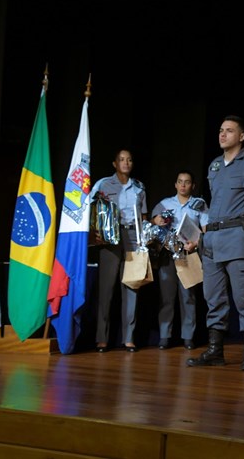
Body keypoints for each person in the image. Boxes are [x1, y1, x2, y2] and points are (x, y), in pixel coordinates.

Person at [187, 115, 244, 371]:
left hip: (238, 238)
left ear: (241, 136)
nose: (222, 134)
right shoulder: (214, 165)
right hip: (212, 240)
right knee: (213, 297)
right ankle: (216, 350)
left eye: (229, 131)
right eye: (220, 130)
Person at [90, 149, 148, 353]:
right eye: (122, 159)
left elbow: (143, 217)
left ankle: (129, 338)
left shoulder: (139, 187)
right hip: (110, 238)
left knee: (131, 287)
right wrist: (93, 234)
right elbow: (90, 209)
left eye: (129, 159)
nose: (126, 163)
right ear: (115, 163)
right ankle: (102, 338)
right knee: (106, 289)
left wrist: (144, 241)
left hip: (132, 237)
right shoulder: (103, 184)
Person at [151, 170, 209, 350]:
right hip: (168, 255)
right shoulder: (165, 203)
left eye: (187, 182)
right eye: (180, 181)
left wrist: (196, 243)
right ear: (175, 184)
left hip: (188, 254)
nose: (183, 185)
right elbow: (152, 222)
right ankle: (165, 336)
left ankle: (188, 337)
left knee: (188, 297)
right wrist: (157, 220)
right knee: (167, 297)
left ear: (192, 185)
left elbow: (206, 229)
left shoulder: (199, 204)